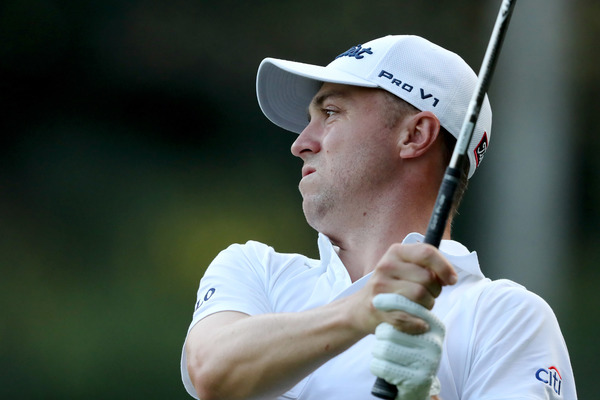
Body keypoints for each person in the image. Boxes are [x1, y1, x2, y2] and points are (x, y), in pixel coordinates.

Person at [180, 35, 577, 399]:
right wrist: (363, 309)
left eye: (330, 112)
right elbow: (212, 373)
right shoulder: (256, 271)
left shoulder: (505, 318)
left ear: (415, 135)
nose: (300, 144)